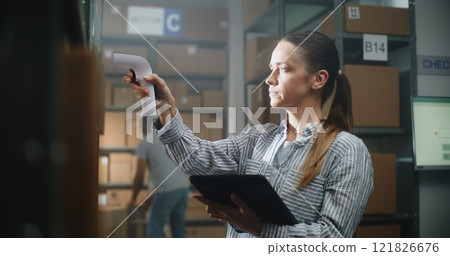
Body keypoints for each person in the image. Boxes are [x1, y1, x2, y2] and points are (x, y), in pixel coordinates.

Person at [123, 31, 373, 238]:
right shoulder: (258, 137)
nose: (269, 79)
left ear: (318, 79)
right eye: (270, 69)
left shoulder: (346, 151)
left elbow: (333, 239)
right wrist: (166, 108)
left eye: (283, 69)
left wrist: (261, 229)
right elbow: (198, 158)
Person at [129, 117, 189, 238]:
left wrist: (133, 199)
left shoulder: (144, 143)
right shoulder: (167, 139)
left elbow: (139, 176)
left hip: (167, 190)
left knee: (154, 230)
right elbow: (167, 176)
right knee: (178, 230)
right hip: (183, 188)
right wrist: (149, 200)